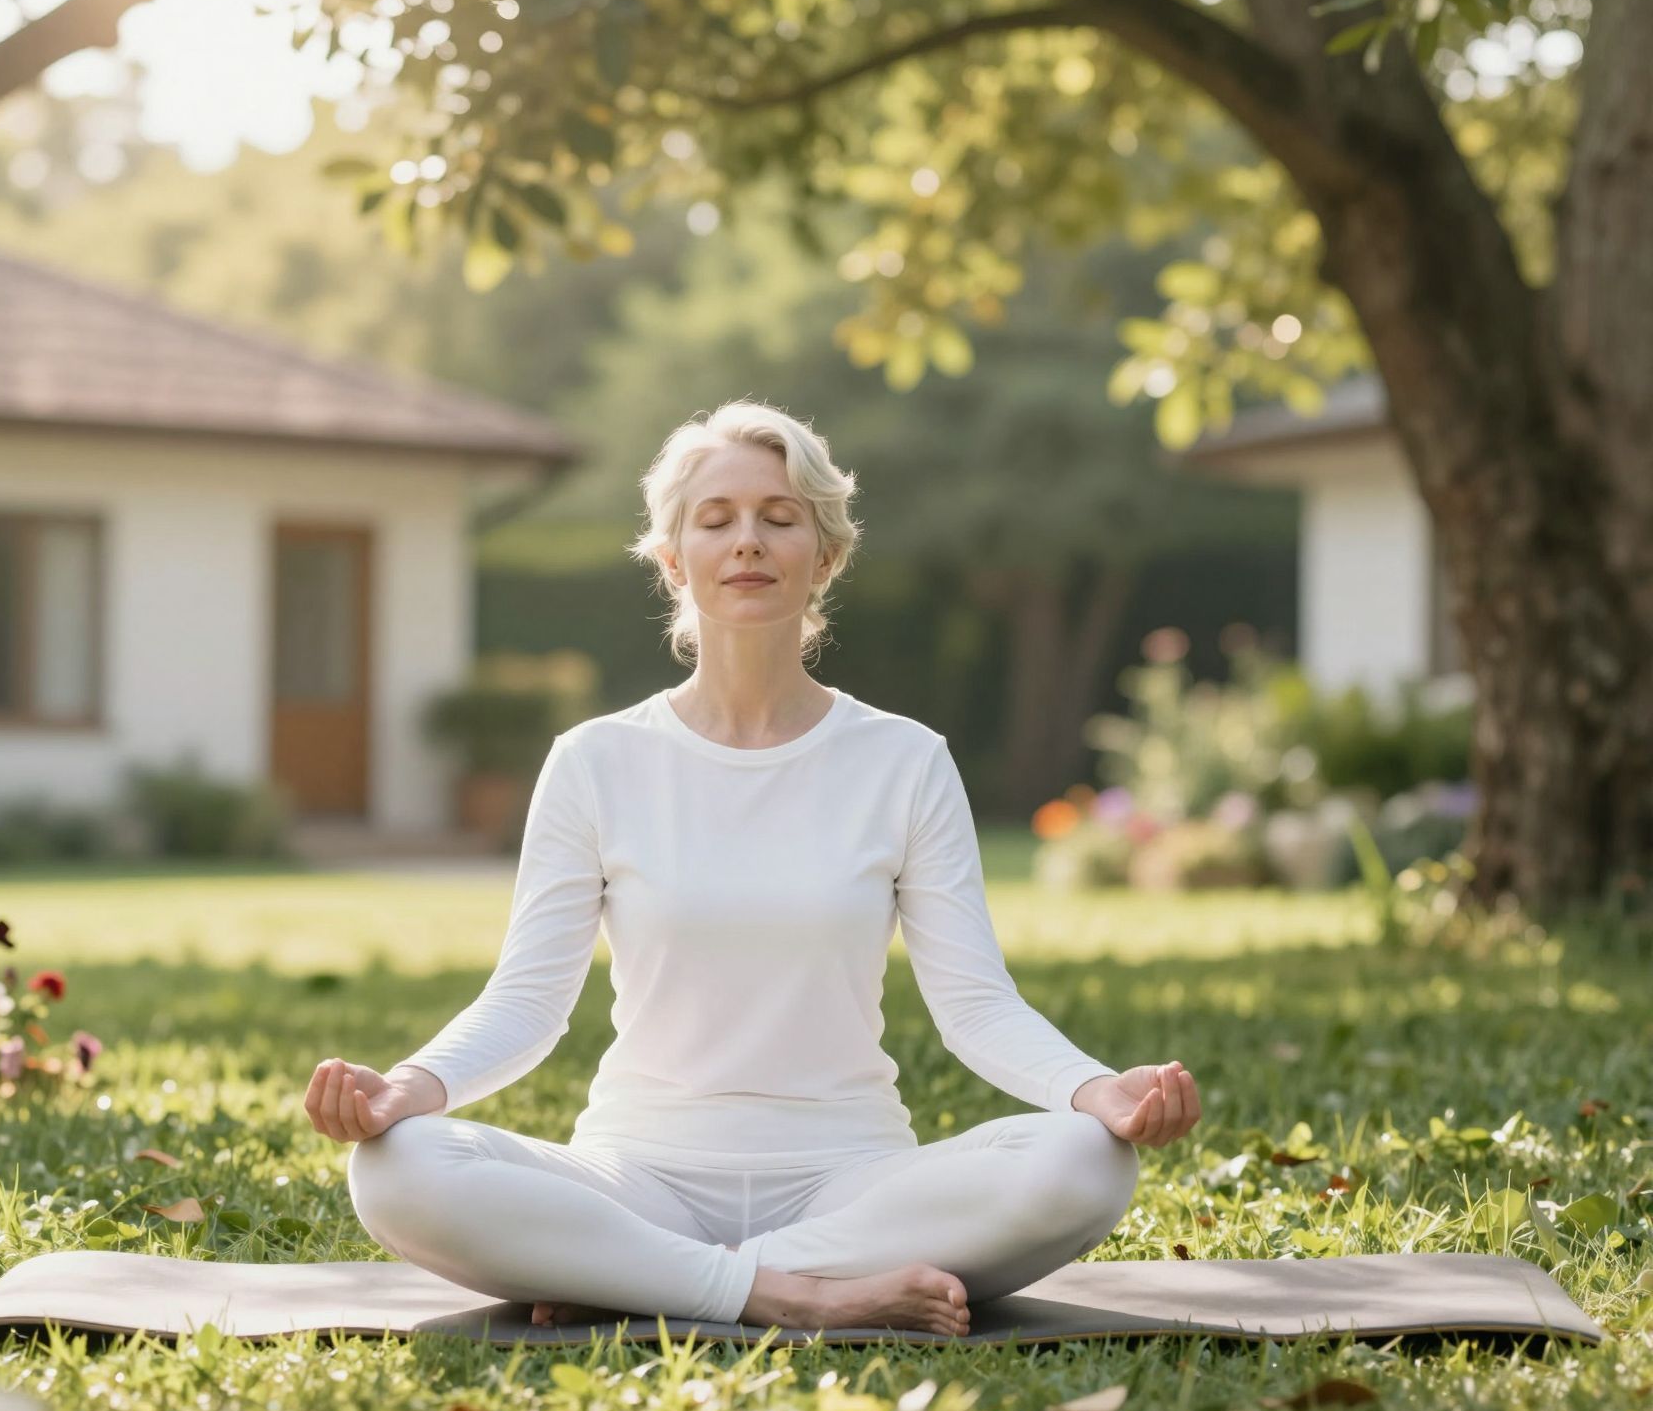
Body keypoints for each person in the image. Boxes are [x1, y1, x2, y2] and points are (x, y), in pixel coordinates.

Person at [309, 400, 1202, 1336]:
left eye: (780, 518)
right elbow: (527, 1004)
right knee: (396, 1169)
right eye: (717, 520)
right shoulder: (594, 761)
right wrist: (409, 1086)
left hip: (851, 1182)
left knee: (1086, 1162)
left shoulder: (904, 760)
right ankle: (789, 1293)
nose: (748, 541)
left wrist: (1094, 1089)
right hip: (637, 1177)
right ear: (672, 559)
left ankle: (640, 1279)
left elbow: (975, 1007)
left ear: (826, 557)